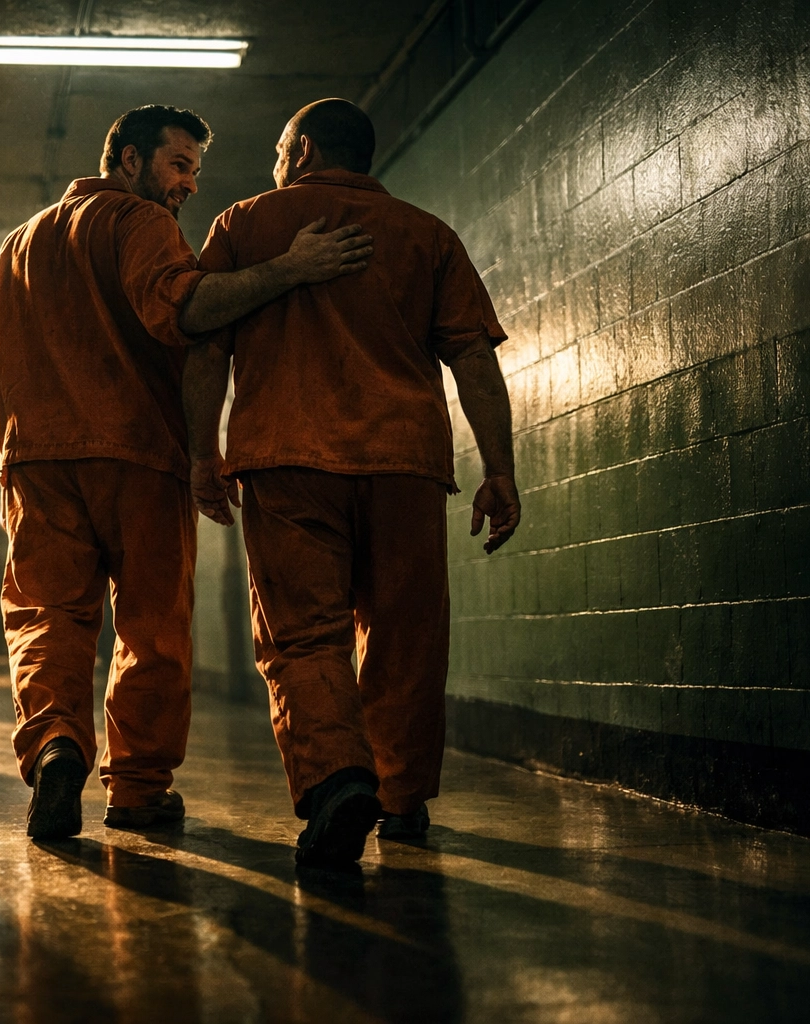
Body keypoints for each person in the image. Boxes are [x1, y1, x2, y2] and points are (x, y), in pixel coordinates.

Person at [0, 104, 374, 839]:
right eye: (178, 165)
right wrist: (290, 268)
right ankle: (137, 789)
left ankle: (56, 742)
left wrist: (8, 469)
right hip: (137, 455)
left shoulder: (15, 248)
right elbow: (189, 310)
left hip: (37, 466)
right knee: (151, 628)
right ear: (127, 160)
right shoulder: (139, 224)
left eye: (193, 170)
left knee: (45, 617)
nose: (187, 184)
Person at [182, 98, 521, 867]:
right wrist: (498, 471)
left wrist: (203, 453)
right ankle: (401, 799)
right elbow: (474, 359)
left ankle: (337, 778)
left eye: (277, 149)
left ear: (301, 150)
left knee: (305, 636)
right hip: (404, 462)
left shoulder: (245, 225)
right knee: (404, 633)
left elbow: (204, 348)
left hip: (288, 458)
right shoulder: (428, 236)